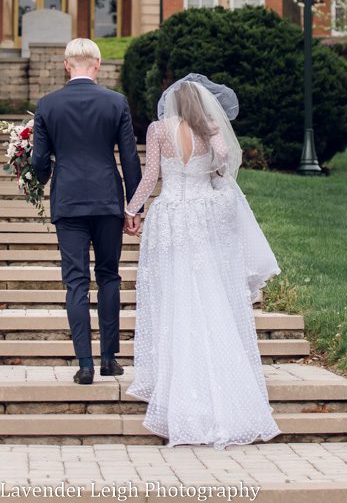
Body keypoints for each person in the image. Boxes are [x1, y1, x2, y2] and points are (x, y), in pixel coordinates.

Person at [124, 73, 282, 448]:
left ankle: (177, 391)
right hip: (203, 214)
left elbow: (151, 178)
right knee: (209, 291)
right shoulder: (210, 127)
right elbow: (225, 166)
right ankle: (226, 389)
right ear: (202, 103)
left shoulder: (158, 130)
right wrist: (215, 146)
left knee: (176, 294)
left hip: (170, 216)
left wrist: (132, 209)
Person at [31, 37, 143, 385]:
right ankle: (109, 358)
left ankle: (84, 364)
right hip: (108, 200)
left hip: (68, 202)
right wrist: (134, 205)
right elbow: (129, 158)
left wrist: (43, 174)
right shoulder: (116, 102)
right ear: (97, 64)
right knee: (109, 275)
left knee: (76, 281)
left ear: (68, 65)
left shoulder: (48, 105)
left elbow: (38, 162)